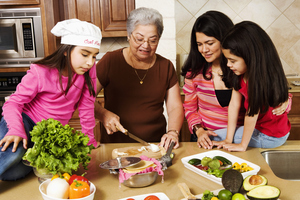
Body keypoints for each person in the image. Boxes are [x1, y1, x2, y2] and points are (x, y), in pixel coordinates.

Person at [0, 19, 101, 180]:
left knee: (13, 173)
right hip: (24, 123)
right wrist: (16, 129)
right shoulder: (40, 72)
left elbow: (87, 106)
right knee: (14, 153)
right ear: (67, 50)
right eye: (85, 54)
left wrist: (89, 141)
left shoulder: (88, 71)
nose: (90, 62)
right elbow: (13, 103)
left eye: (94, 56)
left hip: (49, 134)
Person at [181, 11, 291, 150]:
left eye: (210, 43)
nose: (204, 50)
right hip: (207, 137)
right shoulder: (194, 73)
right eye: (199, 44)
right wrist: (199, 130)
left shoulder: (240, 70)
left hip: (244, 135)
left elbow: (270, 93)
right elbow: (189, 108)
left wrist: (285, 100)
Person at [94, 7, 184, 149]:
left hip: (155, 145)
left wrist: (173, 132)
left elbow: (174, 107)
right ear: (129, 35)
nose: (146, 45)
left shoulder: (166, 66)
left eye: (153, 40)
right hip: (116, 146)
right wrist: (103, 114)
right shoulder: (110, 61)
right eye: (139, 39)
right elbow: (85, 98)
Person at [218, 21, 291, 152]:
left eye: (233, 61)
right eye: (227, 60)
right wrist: (228, 139)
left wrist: (242, 146)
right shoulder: (241, 74)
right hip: (260, 129)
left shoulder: (258, 81)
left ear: (250, 57)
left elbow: (251, 114)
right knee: (221, 137)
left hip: (271, 136)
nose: (228, 64)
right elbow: (234, 104)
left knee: (217, 138)